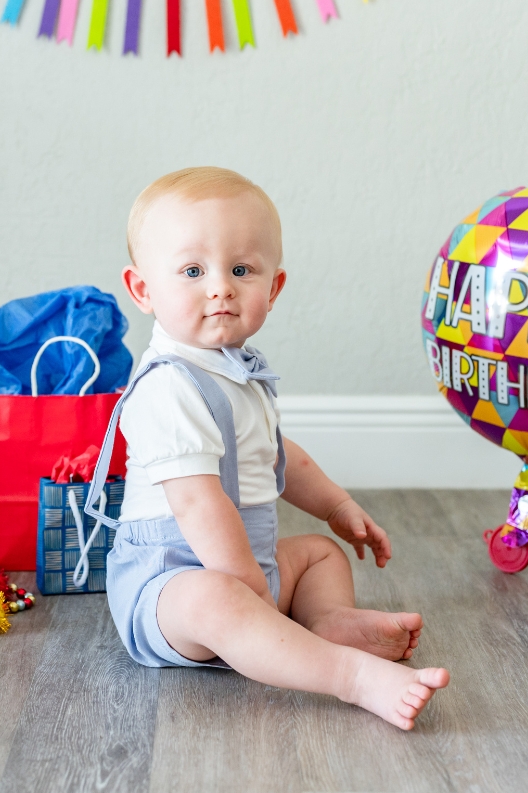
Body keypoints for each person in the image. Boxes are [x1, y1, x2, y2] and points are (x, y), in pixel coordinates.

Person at [84, 167, 449, 730]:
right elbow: (197, 504)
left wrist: (336, 506)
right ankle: (349, 676)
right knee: (216, 600)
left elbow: (279, 455)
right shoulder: (166, 386)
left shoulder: (241, 374)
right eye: (192, 270)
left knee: (320, 553)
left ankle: (324, 621)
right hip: (171, 584)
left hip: (247, 564)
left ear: (273, 288)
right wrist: (249, 592)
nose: (220, 287)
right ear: (143, 291)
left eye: (241, 269)